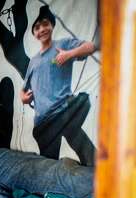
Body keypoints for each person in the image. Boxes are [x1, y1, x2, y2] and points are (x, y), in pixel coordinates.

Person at [20, 5, 96, 166]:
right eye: (37, 27)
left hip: (63, 113)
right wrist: (24, 98)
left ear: (52, 25)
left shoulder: (64, 44)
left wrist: (70, 54)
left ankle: (100, 178)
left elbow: (90, 47)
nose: (42, 29)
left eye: (45, 24)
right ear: (34, 32)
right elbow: (23, 90)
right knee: (48, 165)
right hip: (43, 122)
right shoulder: (33, 61)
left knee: (85, 149)